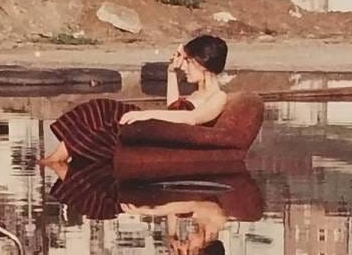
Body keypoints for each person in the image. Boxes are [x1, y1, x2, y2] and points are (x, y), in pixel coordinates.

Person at [42, 34, 229, 168]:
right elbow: (173, 109)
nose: (185, 67)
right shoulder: (197, 93)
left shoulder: (218, 97)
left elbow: (191, 119)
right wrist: (171, 72)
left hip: (156, 134)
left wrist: (143, 114)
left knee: (105, 120)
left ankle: (54, 162)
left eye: (188, 62)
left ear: (201, 63)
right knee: (98, 109)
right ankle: (54, 160)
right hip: (158, 128)